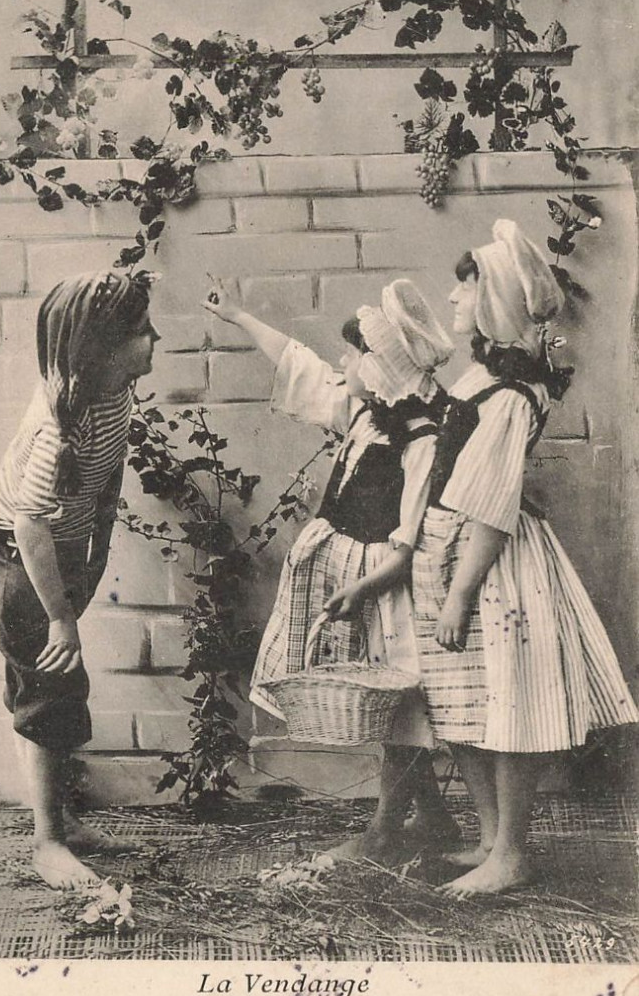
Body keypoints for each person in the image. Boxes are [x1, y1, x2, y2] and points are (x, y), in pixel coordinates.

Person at [411, 219, 638, 896]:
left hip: (492, 563)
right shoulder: (481, 375)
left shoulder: (511, 393)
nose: (453, 300)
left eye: (465, 287)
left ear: (496, 301)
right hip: (449, 545)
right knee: (462, 702)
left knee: (506, 706)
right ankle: (487, 838)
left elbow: (492, 503)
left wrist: (458, 591)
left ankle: (511, 850)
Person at [203, 280, 459, 864]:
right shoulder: (365, 411)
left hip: (385, 591)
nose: (343, 365)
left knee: (396, 705)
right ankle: (434, 818)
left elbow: (408, 546)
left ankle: (385, 829)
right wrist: (239, 315)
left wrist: (360, 589)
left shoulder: (422, 440)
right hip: (345, 581)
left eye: (354, 355)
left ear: (382, 365)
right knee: (377, 705)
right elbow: (301, 364)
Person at [0, 270, 161, 890]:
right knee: (52, 684)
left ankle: (59, 822)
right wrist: (59, 614)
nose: (155, 337)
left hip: (61, 544)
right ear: (100, 348)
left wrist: (97, 549)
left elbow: (107, 481)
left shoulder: (115, 391)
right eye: (141, 331)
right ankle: (47, 842)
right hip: (18, 548)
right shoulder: (60, 425)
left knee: (50, 682)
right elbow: (29, 525)